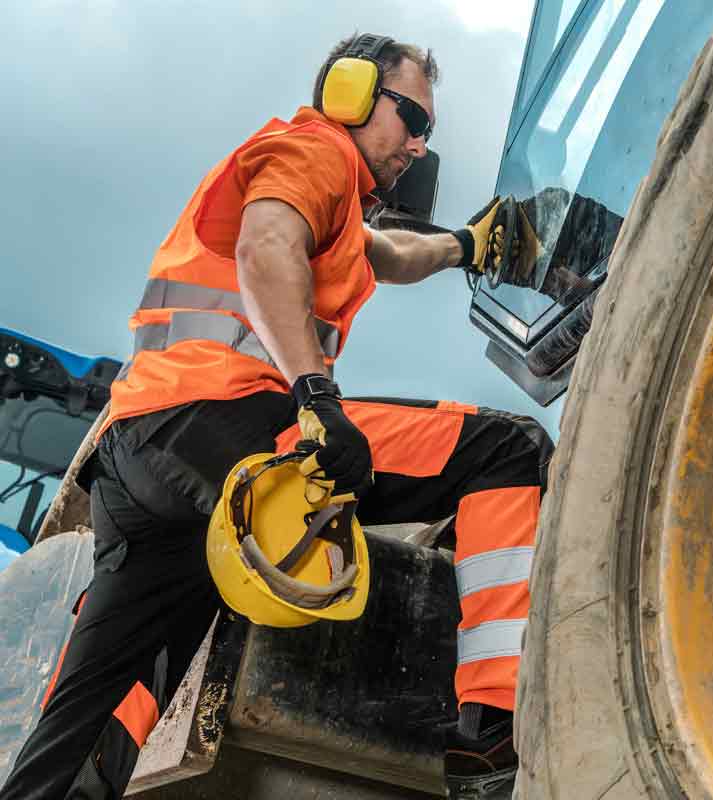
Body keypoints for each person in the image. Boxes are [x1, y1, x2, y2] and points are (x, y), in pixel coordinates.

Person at [0, 33, 549, 800]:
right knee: (504, 449)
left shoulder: (331, 196)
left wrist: (463, 245)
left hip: (140, 451)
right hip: (226, 422)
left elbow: (391, 256)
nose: (420, 144)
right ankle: (491, 735)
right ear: (351, 92)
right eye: (413, 118)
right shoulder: (314, 149)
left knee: (109, 688)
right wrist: (317, 397)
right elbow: (265, 249)